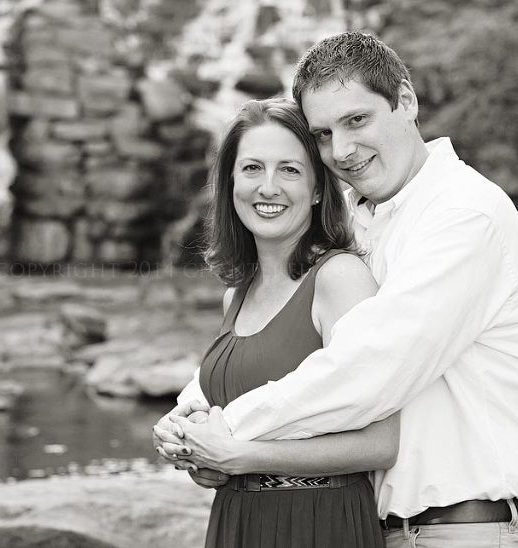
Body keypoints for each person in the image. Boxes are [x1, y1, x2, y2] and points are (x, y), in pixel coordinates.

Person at [160, 31, 518, 547]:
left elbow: (367, 368)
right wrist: (188, 416)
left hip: (463, 529)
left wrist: (225, 433)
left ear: (405, 100)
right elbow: (274, 337)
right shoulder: (362, 222)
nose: (341, 150)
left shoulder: (462, 215)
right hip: (377, 527)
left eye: (356, 120)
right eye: (322, 134)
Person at [153, 97, 395, 548]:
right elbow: (229, 425)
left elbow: (381, 442)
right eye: (251, 169)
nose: (268, 187)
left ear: (319, 188)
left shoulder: (340, 278)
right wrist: (186, 443)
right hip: (236, 521)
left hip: (321, 525)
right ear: (229, 183)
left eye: (289, 170)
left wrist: (239, 457)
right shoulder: (237, 293)